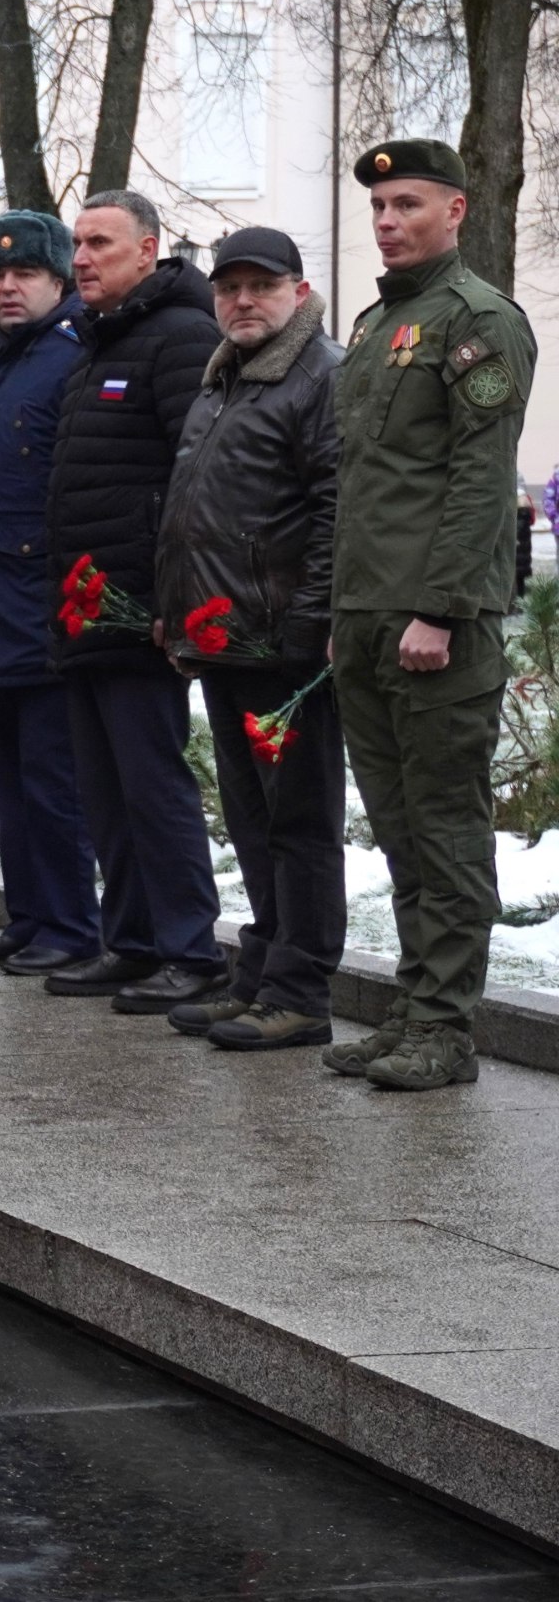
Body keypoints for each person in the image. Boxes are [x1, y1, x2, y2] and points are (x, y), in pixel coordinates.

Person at [325, 139, 537, 1091]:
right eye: (378, 206)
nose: (387, 220)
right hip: (368, 612)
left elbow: (479, 480)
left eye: (407, 203)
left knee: (445, 827)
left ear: (455, 211)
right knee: (400, 826)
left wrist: (441, 610)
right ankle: (412, 1009)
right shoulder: (380, 323)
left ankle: (447, 1030)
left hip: (433, 621)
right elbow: (366, 483)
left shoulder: (477, 319)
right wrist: (345, 609)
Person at [154, 227, 346, 1052]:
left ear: (298, 294)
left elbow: (338, 509)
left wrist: (309, 626)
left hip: (284, 645)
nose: (241, 301)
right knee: (252, 819)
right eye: (228, 288)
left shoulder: (317, 378)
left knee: (300, 822)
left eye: (260, 287)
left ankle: (300, 992)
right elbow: (195, 512)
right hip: (222, 637)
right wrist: (174, 606)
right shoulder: (224, 378)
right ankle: (262, 973)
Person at [38, 190, 229, 1013]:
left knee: (153, 785)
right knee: (105, 790)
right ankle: (133, 942)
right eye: (77, 244)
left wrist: (170, 598)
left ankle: (191, 950)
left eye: (101, 244)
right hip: (87, 613)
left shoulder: (180, 338)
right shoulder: (96, 345)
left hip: (142, 612)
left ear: (147, 251)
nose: (81, 258)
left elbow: (200, 478)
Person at [0, 212, 102, 977]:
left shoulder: (71, 354)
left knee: (53, 784)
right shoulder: (3, 360)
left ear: (58, 280)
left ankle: (72, 925)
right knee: (10, 781)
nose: (7, 288)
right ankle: (29, 915)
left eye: (24, 276)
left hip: (44, 607)